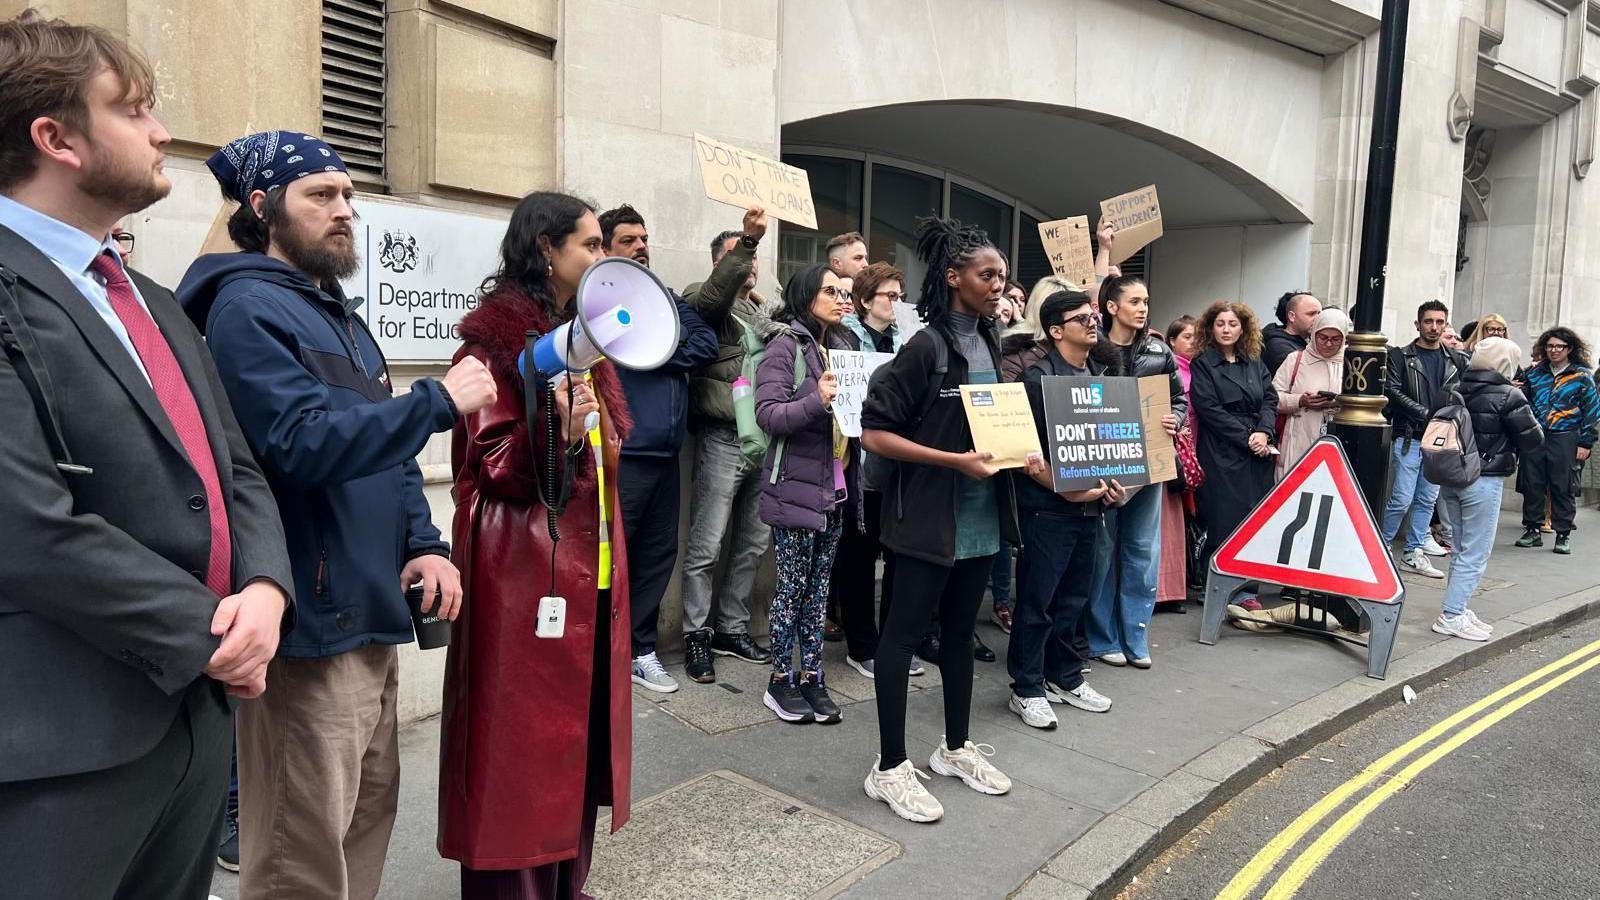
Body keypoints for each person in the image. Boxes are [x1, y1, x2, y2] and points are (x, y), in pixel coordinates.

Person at [0, 14, 292, 898]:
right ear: (57, 139)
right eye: (133, 110)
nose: (164, 132)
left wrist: (268, 592)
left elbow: (234, 469)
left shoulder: (152, 299)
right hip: (61, 749)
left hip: (195, 725)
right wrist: (207, 634)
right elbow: (27, 527)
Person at [178, 130, 492, 900]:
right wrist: (438, 402)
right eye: (321, 195)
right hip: (308, 625)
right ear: (262, 208)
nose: (345, 209)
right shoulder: (247, 308)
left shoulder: (338, 314)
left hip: (370, 607)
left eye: (349, 194)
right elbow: (299, 446)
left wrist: (425, 543)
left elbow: (383, 451)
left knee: (363, 821)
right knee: (300, 853)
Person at [441, 191, 633, 898]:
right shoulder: (491, 348)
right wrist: (551, 426)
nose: (601, 257)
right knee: (519, 749)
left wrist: (592, 434)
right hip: (525, 574)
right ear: (547, 249)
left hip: (588, 568)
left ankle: (564, 883)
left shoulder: (585, 347)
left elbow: (604, 459)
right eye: (588, 244)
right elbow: (499, 469)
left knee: (573, 745)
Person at [860, 216, 1019, 823]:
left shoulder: (992, 342)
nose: (998, 283)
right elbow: (875, 434)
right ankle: (890, 768)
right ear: (954, 278)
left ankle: (954, 749)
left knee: (958, 636)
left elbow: (989, 423)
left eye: (1003, 274)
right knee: (900, 640)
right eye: (987, 274)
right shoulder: (925, 346)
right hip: (927, 518)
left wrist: (1017, 454)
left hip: (980, 519)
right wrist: (954, 460)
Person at [596, 204, 718, 694]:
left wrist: (656, 350)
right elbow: (612, 349)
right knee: (613, 558)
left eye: (644, 238)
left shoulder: (662, 297)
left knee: (656, 555)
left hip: (667, 454)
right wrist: (651, 349)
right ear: (605, 247)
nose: (641, 247)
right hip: (625, 452)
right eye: (628, 240)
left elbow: (705, 342)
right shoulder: (598, 298)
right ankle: (604, 651)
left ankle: (640, 649)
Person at [1007, 291, 1122, 730]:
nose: (1093, 323)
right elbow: (1025, 452)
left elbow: (1110, 444)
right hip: (1047, 511)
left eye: (1093, 316)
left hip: (1091, 510)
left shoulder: (1100, 375)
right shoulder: (1037, 380)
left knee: (1074, 598)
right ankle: (1027, 687)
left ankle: (1065, 676)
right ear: (1055, 331)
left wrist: (1113, 486)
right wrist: (1064, 487)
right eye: (1081, 319)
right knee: (1038, 601)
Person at [679, 209, 780, 683]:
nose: (749, 266)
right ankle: (696, 633)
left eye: (751, 258)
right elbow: (715, 293)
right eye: (738, 258)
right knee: (706, 543)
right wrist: (748, 242)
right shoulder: (702, 302)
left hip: (765, 439)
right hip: (724, 437)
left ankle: (732, 628)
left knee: (753, 543)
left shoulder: (763, 313)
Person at [756, 263, 858, 723]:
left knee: (818, 592)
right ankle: (781, 679)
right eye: (830, 291)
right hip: (795, 491)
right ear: (805, 296)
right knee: (792, 590)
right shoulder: (785, 347)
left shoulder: (841, 346)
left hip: (833, 490)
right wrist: (817, 399)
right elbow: (770, 416)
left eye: (844, 291)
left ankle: (813, 675)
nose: (842, 298)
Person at [1085, 275, 1184, 667]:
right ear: (1112, 306)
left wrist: (1174, 418)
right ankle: (1101, 637)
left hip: (1150, 465)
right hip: (1105, 465)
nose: (1143, 308)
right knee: (1103, 553)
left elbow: (1178, 399)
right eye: (1135, 301)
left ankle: (1136, 636)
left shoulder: (1160, 350)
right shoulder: (1092, 349)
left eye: (1146, 301)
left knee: (1143, 551)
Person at [1435, 338, 1542, 639]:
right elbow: (1533, 440)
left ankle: (1459, 606)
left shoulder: (1451, 388)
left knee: (1459, 547)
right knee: (1475, 552)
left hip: (1450, 476)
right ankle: (1452, 614)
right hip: (1484, 479)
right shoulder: (1509, 394)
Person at [833, 261, 910, 677]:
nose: (897, 304)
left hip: (899, 467)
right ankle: (862, 644)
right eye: (890, 296)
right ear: (865, 300)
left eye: (900, 296)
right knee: (860, 558)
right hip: (858, 466)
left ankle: (894, 642)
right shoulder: (846, 339)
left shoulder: (908, 340)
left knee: (898, 557)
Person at [1189, 300, 1278, 586]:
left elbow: (1270, 399)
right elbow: (1208, 408)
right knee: (1222, 517)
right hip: (1221, 449)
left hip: (1258, 448)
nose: (1226, 330)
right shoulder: (1203, 363)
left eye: (1233, 324)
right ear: (1210, 328)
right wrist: (1247, 438)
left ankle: (1246, 585)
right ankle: (1213, 583)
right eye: (1220, 324)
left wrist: (1264, 432)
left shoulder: (1254, 360)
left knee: (1254, 518)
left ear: (1243, 329)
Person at [1381, 300, 1465, 577]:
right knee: (1402, 498)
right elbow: (1392, 390)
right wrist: (1424, 413)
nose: (1434, 327)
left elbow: (1464, 394)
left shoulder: (1455, 359)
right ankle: (1382, 546)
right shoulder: (1401, 355)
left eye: (1440, 322)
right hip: (1410, 436)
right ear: (1418, 324)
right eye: (1429, 321)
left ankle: (1413, 550)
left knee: (1427, 499)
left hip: (1441, 439)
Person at [1514, 327, 1600, 555]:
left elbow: (1592, 411)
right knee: (1533, 483)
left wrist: (1586, 442)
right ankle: (1532, 530)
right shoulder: (1534, 373)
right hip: (1536, 436)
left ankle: (1563, 534)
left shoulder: (1581, 376)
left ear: (1569, 349)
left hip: (1566, 436)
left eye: (1559, 346)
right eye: (1550, 346)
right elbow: (1521, 400)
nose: (1554, 350)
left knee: (1563, 486)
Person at [1271, 308, 1351, 479]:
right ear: (1314, 334)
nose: (1328, 344)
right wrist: (1300, 400)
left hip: (1337, 443)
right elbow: (1271, 398)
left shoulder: (1350, 363)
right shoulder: (1296, 360)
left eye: (1335, 339)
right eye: (1323, 338)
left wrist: (1337, 402)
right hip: (1297, 441)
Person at [1165, 315, 1203, 596]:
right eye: (1187, 337)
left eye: (1196, 337)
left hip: (1198, 448)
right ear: (1172, 341)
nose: (1193, 343)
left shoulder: (1200, 369)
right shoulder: (1171, 371)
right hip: (1178, 450)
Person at [1262, 291, 1323, 374]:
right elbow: (1306, 375)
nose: (1317, 319)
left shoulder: (1302, 341)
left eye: (1319, 314)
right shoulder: (1278, 346)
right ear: (1292, 316)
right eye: (1311, 314)